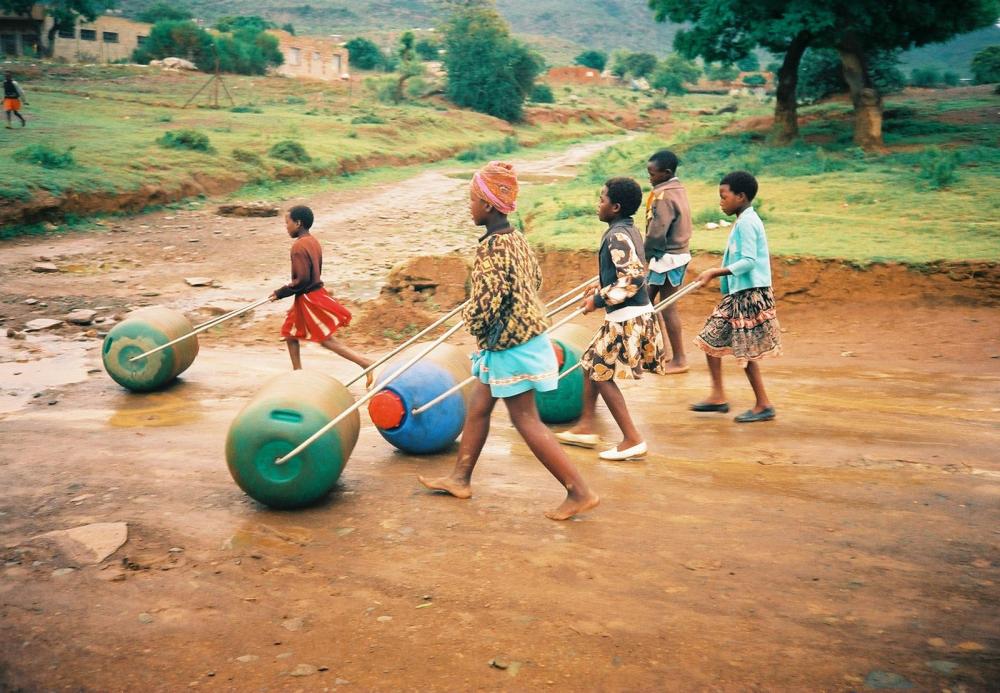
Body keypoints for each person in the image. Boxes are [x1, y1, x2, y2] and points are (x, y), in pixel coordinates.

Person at [419, 161, 599, 521]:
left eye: (472, 200)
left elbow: (486, 303)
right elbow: (536, 279)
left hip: (511, 345)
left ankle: (579, 491)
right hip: (522, 337)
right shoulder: (515, 239)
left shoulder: (490, 250)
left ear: (487, 205)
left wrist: (468, 319)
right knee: (480, 407)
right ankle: (460, 477)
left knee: (526, 420)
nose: (469, 207)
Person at [555, 177, 665, 460]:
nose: (598, 204)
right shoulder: (626, 229)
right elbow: (626, 270)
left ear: (615, 206)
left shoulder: (617, 235)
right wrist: (600, 286)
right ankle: (585, 426)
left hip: (628, 318)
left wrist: (598, 299)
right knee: (590, 362)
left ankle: (632, 438)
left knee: (601, 373)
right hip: (629, 315)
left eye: (602, 200)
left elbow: (634, 277)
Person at [691, 171, 781, 423]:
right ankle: (718, 396)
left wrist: (715, 271)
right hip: (736, 294)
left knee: (747, 351)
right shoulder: (743, 220)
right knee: (710, 339)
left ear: (740, 197)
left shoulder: (747, 223)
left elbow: (750, 261)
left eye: (724, 196)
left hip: (750, 294)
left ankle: (763, 404)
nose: (721, 201)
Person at [269, 205, 374, 385]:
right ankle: (297, 374)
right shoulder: (313, 241)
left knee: (325, 339)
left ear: (298, 223)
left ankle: (365, 363)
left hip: (309, 298)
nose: (286, 226)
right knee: (289, 333)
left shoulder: (298, 246)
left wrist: (280, 293)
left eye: (288, 222)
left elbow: (302, 280)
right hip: (311, 295)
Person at [644, 149, 692, 374]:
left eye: (652, 174)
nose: (649, 178)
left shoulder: (663, 195)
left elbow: (658, 230)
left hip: (666, 258)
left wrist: (645, 253)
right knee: (647, 303)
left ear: (666, 173)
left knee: (665, 307)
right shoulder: (677, 189)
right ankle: (659, 353)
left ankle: (679, 359)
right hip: (675, 254)